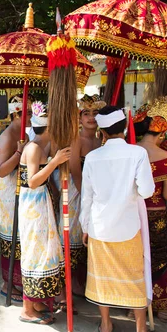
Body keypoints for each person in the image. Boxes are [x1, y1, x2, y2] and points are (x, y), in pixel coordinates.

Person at [81, 106, 160, 332]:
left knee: (102, 280)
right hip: (127, 227)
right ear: (125, 127)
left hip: (99, 227)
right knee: (133, 277)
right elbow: (147, 191)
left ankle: (106, 326)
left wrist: (85, 226)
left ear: (102, 131)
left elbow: (87, 197)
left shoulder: (93, 157)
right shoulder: (137, 154)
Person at [135, 97, 167, 323]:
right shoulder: (166, 158)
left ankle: (134, 306)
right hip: (156, 215)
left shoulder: (131, 151)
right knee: (163, 256)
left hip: (133, 214)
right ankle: (164, 306)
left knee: (137, 258)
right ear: (163, 133)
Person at [18, 101, 68, 325]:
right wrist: (55, 162)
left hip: (39, 204)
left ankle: (37, 301)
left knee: (42, 251)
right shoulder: (34, 148)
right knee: (34, 253)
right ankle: (27, 309)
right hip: (33, 205)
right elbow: (33, 181)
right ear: (47, 129)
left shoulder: (37, 146)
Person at [66, 94, 105, 296]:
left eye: (95, 113)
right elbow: (74, 170)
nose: (91, 117)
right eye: (86, 113)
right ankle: (72, 283)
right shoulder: (77, 140)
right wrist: (85, 197)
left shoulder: (102, 140)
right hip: (77, 191)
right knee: (75, 234)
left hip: (97, 193)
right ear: (79, 118)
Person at [0, 96, 29, 299]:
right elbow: (1, 170)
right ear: (16, 114)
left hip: (19, 190)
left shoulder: (22, 132)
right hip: (8, 192)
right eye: (29, 114)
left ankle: (18, 281)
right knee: (11, 238)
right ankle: (8, 283)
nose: (32, 118)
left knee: (19, 237)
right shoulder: (9, 136)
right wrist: (19, 153)